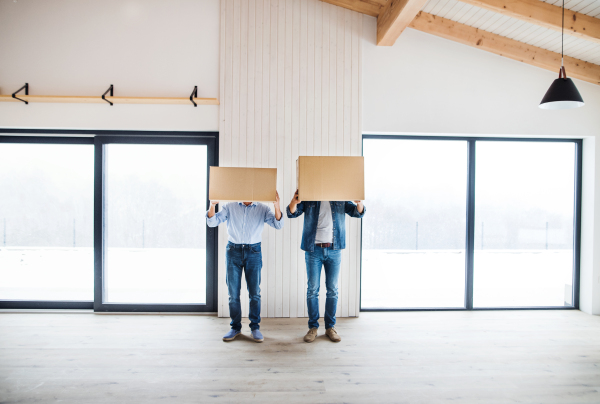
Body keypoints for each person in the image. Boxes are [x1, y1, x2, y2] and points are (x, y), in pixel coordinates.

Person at [287, 190, 365, 343]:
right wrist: (293, 202)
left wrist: (359, 202)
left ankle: (330, 327)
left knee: (332, 289)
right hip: (313, 250)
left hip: (334, 249)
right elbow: (292, 214)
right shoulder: (309, 196)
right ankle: (313, 328)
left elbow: (357, 213)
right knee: (312, 290)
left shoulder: (339, 196)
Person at [206, 192, 283, 342]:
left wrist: (276, 206)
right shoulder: (230, 206)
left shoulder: (262, 208)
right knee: (233, 294)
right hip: (233, 251)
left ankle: (255, 327)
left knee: (255, 293)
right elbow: (212, 222)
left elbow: (278, 224)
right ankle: (235, 327)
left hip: (254, 252)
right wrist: (212, 205)